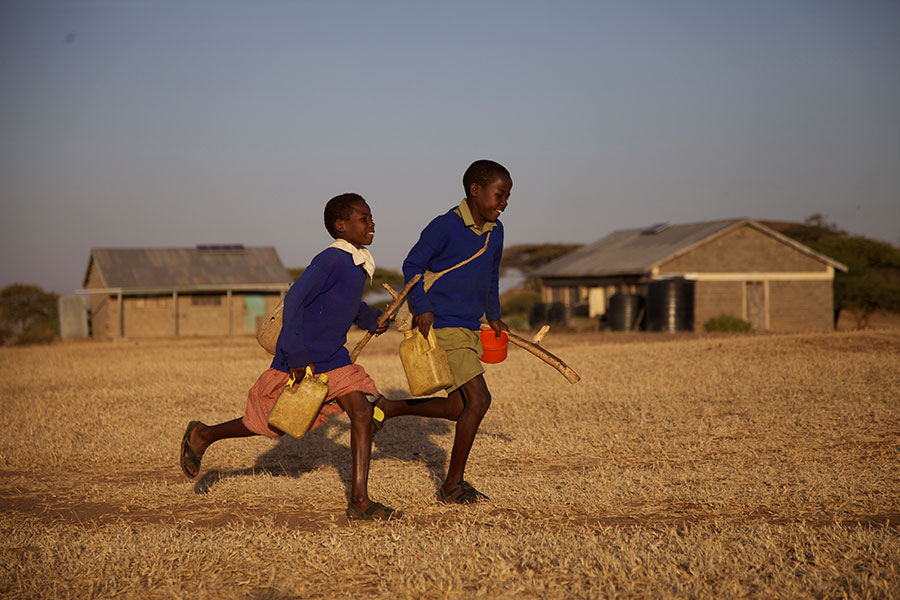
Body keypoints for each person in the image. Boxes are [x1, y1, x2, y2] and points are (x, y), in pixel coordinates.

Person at [180, 193, 400, 521]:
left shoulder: (356, 263)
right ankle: (204, 434)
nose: (372, 224)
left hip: (335, 359)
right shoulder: (331, 260)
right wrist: (296, 353)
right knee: (271, 423)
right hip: (303, 357)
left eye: (371, 217)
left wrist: (371, 320)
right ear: (342, 226)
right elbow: (295, 300)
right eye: (363, 218)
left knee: (363, 414)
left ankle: (359, 500)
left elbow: (346, 304)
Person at [374, 159, 511, 505]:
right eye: (499, 195)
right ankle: (452, 484)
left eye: (508, 197)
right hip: (443, 326)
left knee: (456, 407)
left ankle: (389, 408)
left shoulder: (497, 232)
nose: (503, 203)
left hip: (469, 327)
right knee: (479, 401)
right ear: (475, 191)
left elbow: (491, 277)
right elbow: (412, 265)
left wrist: (494, 316)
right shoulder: (445, 226)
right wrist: (422, 307)